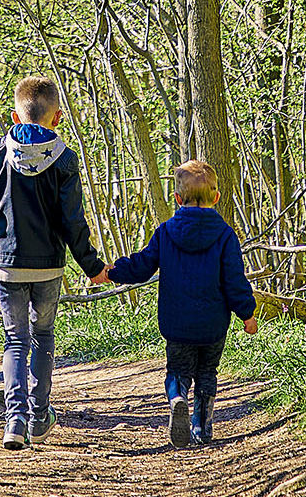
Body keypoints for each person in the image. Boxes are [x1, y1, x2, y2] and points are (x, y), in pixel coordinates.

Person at [0, 76, 109, 450]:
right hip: (49, 267)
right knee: (43, 335)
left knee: (15, 339)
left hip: (7, 264)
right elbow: (73, 222)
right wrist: (92, 266)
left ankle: (14, 421)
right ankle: (40, 417)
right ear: (56, 118)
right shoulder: (65, 159)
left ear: (15, 116)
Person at [92, 160, 258, 447]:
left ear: (177, 198)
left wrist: (112, 272)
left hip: (176, 323)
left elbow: (143, 265)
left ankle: (177, 397)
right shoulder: (226, 236)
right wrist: (247, 314)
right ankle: (202, 428)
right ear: (216, 198)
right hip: (212, 325)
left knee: (177, 370)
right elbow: (234, 281)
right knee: (207, 372)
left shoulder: (166, 232)